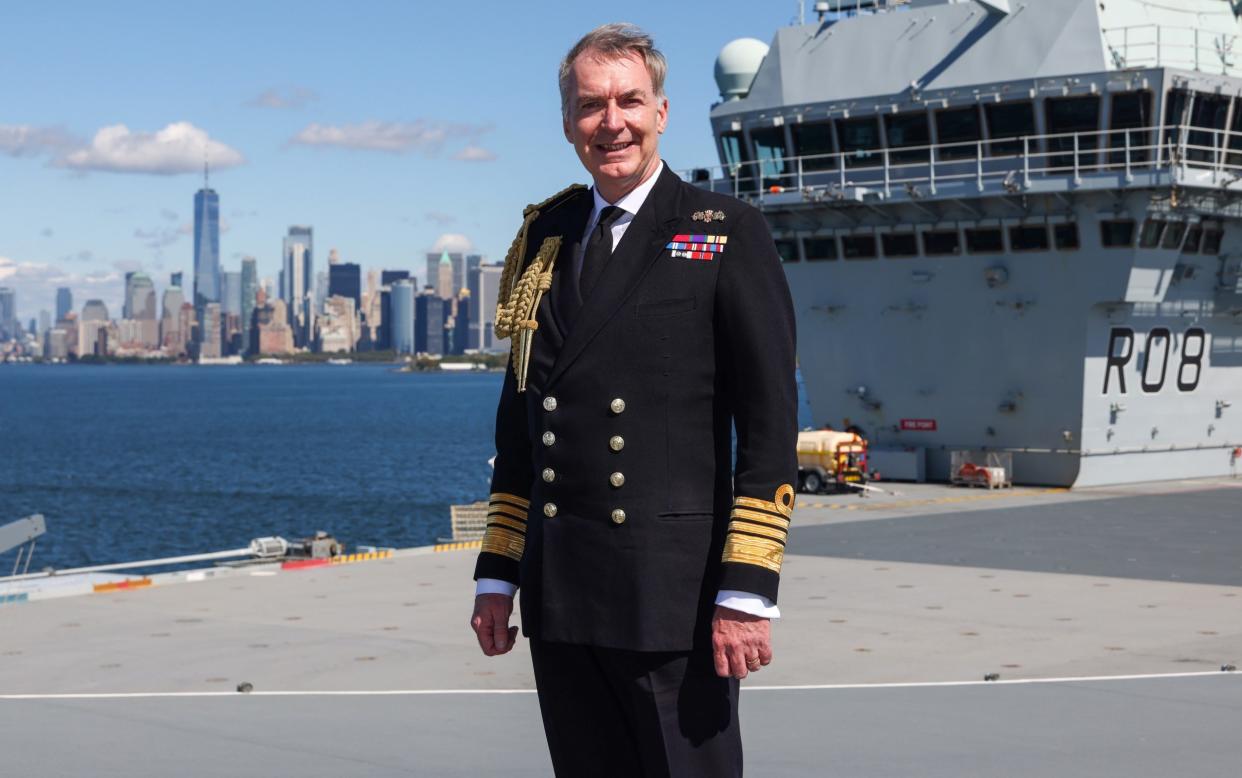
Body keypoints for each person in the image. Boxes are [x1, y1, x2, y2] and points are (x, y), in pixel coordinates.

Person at [469, 22, 797, 777]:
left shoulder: (725, 232)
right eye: (591, 106)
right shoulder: (544, 237)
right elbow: (520, 423)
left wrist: (747, 590)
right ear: (567, 124)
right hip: (563, 598)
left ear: (662, 112)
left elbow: (772, 425)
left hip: (673, 599)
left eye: (629, 101)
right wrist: (497, 574)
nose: (610, 122)